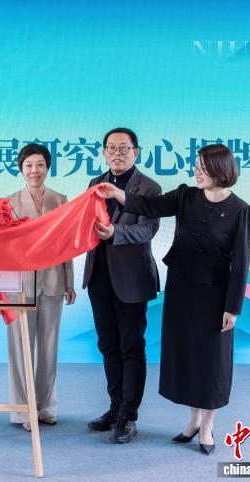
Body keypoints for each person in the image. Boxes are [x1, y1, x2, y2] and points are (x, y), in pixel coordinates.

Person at [95, 143, 250, 455]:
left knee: (211, 362)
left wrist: (232, 308)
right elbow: (150, 206)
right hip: (182, 289)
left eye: (203, 168)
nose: (196, 172)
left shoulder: (240, 210)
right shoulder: (186, 196)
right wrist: (119, 195)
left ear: (220, 170)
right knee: (188, 357)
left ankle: (207, 427)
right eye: (196, 166)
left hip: (215, 296)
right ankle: (193, 421)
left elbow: (241, 263)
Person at [83, 127, 161, 444]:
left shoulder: (150, 188)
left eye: (124, 148)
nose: (117, 153)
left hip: (132, 279)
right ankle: (115, 408)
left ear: (136, 152)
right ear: (104, 153)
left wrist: (115, 233)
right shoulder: (95, 183)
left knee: (131, 347)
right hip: (98, 275)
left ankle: (129, 416)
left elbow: (147, 230)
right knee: (108, 346)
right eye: (111, 148)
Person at [6, 143, 76, 431]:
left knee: (49, 347)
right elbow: (3, 248)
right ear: (21, 169)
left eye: (40, 165)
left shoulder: (61, 200)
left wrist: (70, 281)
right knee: (19, 347)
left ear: (47, 167)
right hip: (19, 285)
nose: (34, 170)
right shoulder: (8, 203)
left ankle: (46, 407)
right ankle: (23, 410)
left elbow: (67, 243)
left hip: (53, 282)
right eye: (29, 165)